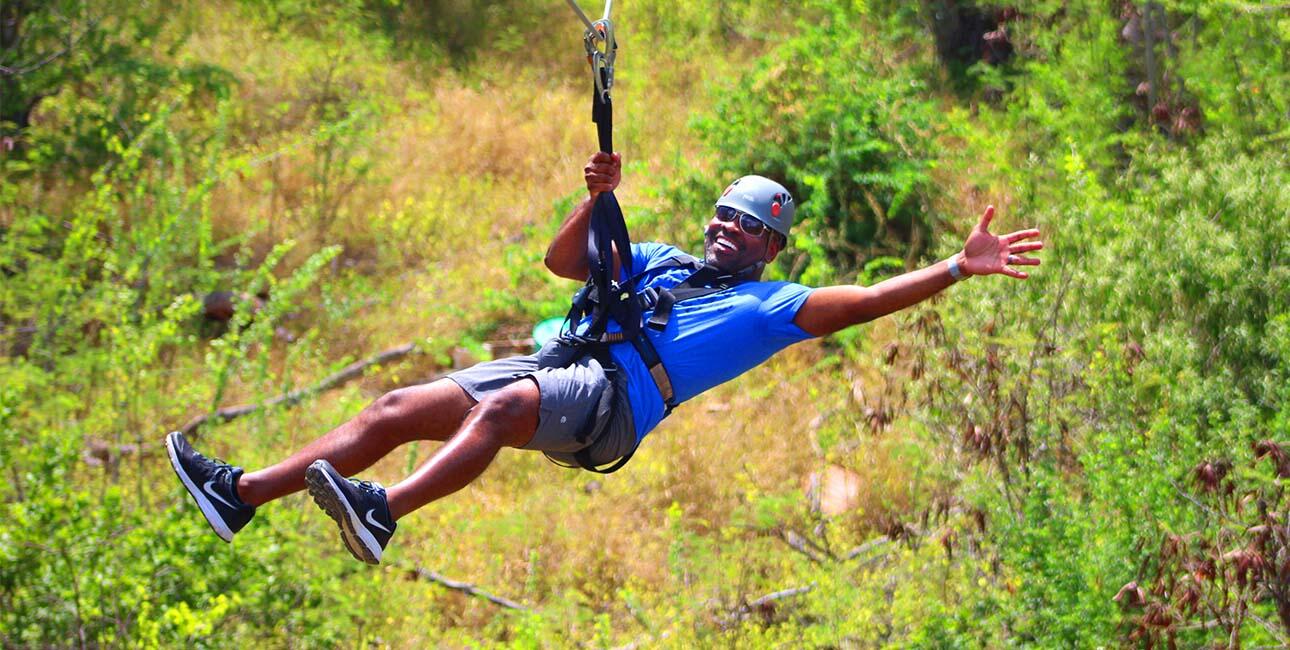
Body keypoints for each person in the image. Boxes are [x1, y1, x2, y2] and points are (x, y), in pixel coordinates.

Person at [166, 151, 1043, 564]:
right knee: (395, 409)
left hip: (614, 402)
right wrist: (597, 202)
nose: (723, 229)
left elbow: (870, 300)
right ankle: (238, 494)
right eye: (722, 215)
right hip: (565, 361)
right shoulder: (658, 257)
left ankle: (383, 510)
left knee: (503, 413)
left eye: (744, 226)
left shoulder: (767, 306)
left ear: (770, 247)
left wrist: (956, 269)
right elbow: (560, 264)